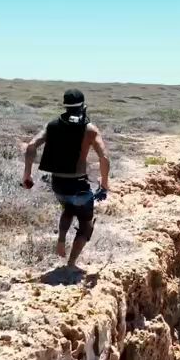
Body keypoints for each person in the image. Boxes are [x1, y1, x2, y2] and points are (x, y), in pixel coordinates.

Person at [23, 89, 110, 267]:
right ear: (83, 106)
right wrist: (105, 183)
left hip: (58, 184)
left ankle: (61, 240)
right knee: (86, 225)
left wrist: (27, 174)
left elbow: (31, 145)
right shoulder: (89, 129)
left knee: (69, 207)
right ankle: (71, 263)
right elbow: (104, 158)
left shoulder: (52, 125)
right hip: (78, 185)